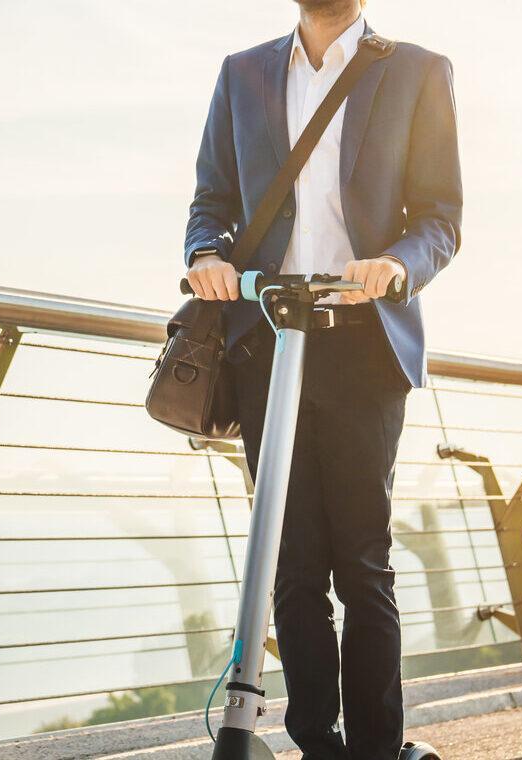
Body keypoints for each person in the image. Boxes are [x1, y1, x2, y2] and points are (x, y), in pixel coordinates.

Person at [181, 0, 462, 757]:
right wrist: (208, 255)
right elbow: (212, 199)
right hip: (265, 341)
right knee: (292, 561)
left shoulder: (414, 71)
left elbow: (441, 217)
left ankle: (376, 748)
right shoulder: (242, 74)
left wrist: (399, 265)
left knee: (362, 561)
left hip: (364, 339)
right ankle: (316, 743)